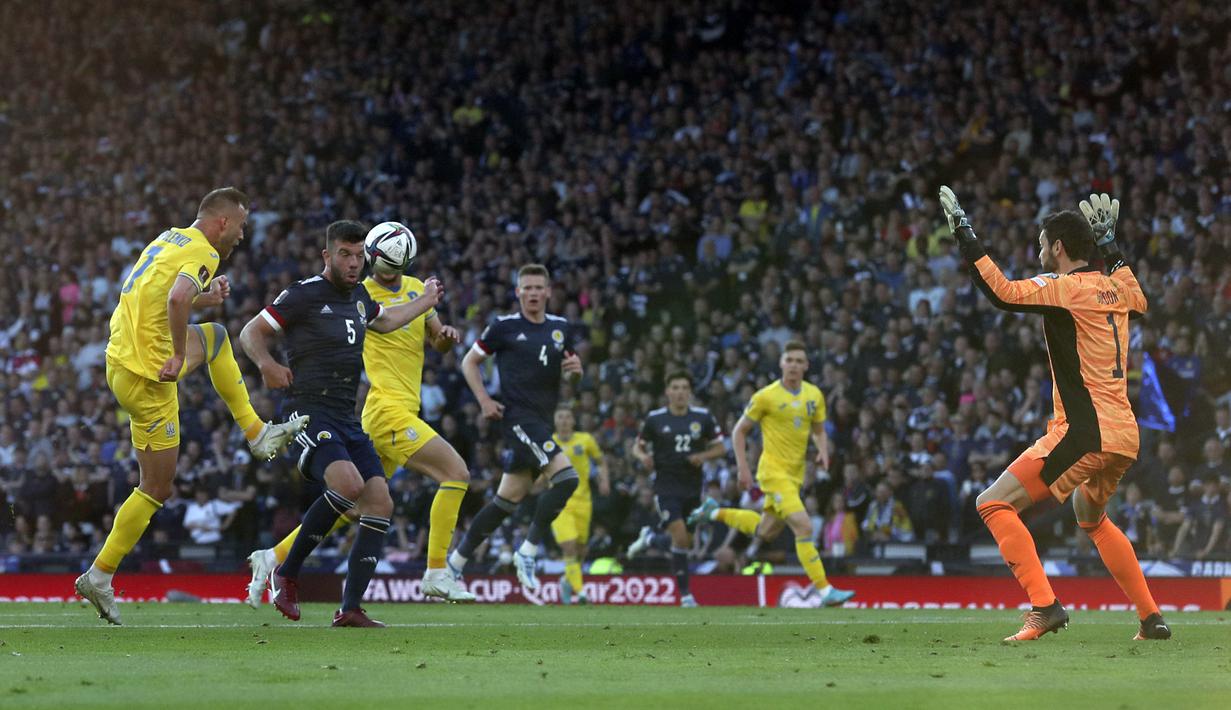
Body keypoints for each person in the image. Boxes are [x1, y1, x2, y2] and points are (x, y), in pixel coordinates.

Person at [939, 187, 1170, 641]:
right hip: (1124, 432)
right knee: (1092, 518)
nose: (1039, 251)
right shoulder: (1116, 287)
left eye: (1043, 244)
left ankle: (1044, 607)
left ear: (1058, 248)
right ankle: (1151, 618)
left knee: (993, 502)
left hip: (1084, 431)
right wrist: (1111, 246)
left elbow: (1002, 292)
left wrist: (965, 234)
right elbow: (1140, 301)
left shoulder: (1064, 289)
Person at [75, 188, 308, 625]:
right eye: (240, 225)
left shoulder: (170, 238)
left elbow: (159, 295)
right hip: (151, 374)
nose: (242, 235)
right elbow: (177, 299)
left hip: (120, 364)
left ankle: (100, 576)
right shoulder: (204, 250)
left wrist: (205, 296)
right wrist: (180, 355)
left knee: (216, 337)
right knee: (157, 487)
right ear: (222, 222)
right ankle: (256, 433)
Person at [245, 227, 474, 605]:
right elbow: (254, 330)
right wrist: (268, 364)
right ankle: (437, 571)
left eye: (359, 257)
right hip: (374, 410)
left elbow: (421, 334)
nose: (356, 264)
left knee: (361, 505)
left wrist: (439, 325)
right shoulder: (334, 293)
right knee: (456, 473)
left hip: (365, 414)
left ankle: (276, 560)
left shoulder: (394, 291)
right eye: (349, 256)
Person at [446, 264, 583, 592]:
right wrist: (484, 400)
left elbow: (570, 372)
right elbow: (469, 362)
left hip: (542, 423)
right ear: (518, 292)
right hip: (519, 420)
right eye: (527, 288)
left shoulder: (561, 328)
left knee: (506, 500)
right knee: (567, 478)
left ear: (549, 292)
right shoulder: (503, 327)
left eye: (539, 287)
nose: (533, 293)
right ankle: (529, 549)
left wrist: (576, 373)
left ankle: (454, 565)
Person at [690, 342, 856, 608]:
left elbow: (819, 428)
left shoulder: (814, 395)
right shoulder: (765, 396)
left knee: (764, 530)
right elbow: (738, 432)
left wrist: (824, 451)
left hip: (795, 475)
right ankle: (825, 591)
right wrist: (743, 468)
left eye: (798, 360)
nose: (792, 364)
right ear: (781, 364)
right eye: (788, 359)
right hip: (772, 473)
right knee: (804, 526)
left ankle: (713, 512)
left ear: (806, 366)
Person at [627, 372, 725, 607]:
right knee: (680, 537)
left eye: (684, 387)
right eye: (675, 387)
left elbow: (720, 448)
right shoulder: (655, 419)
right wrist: (644, 457)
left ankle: (651, 539)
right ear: (668, 392)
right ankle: (685, 595)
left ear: (690, 392)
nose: (680, 392)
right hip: (666, 486)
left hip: (692, 488)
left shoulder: (703, 418)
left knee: (685, 542)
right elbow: (636, 447)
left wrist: (702, 455)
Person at [550, 407, 609, 604]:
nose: (565, 420)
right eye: (560, 416)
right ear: (555, 421)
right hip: (558, 501)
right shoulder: (549, 442)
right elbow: (539, 466)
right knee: (569, 545)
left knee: (581, 549)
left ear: (573, 421)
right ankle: (580, 591)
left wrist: (604, 480)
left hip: (583, 501)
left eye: (568, 416)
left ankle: (567, 581)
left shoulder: (585, 439)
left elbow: (601, 462)